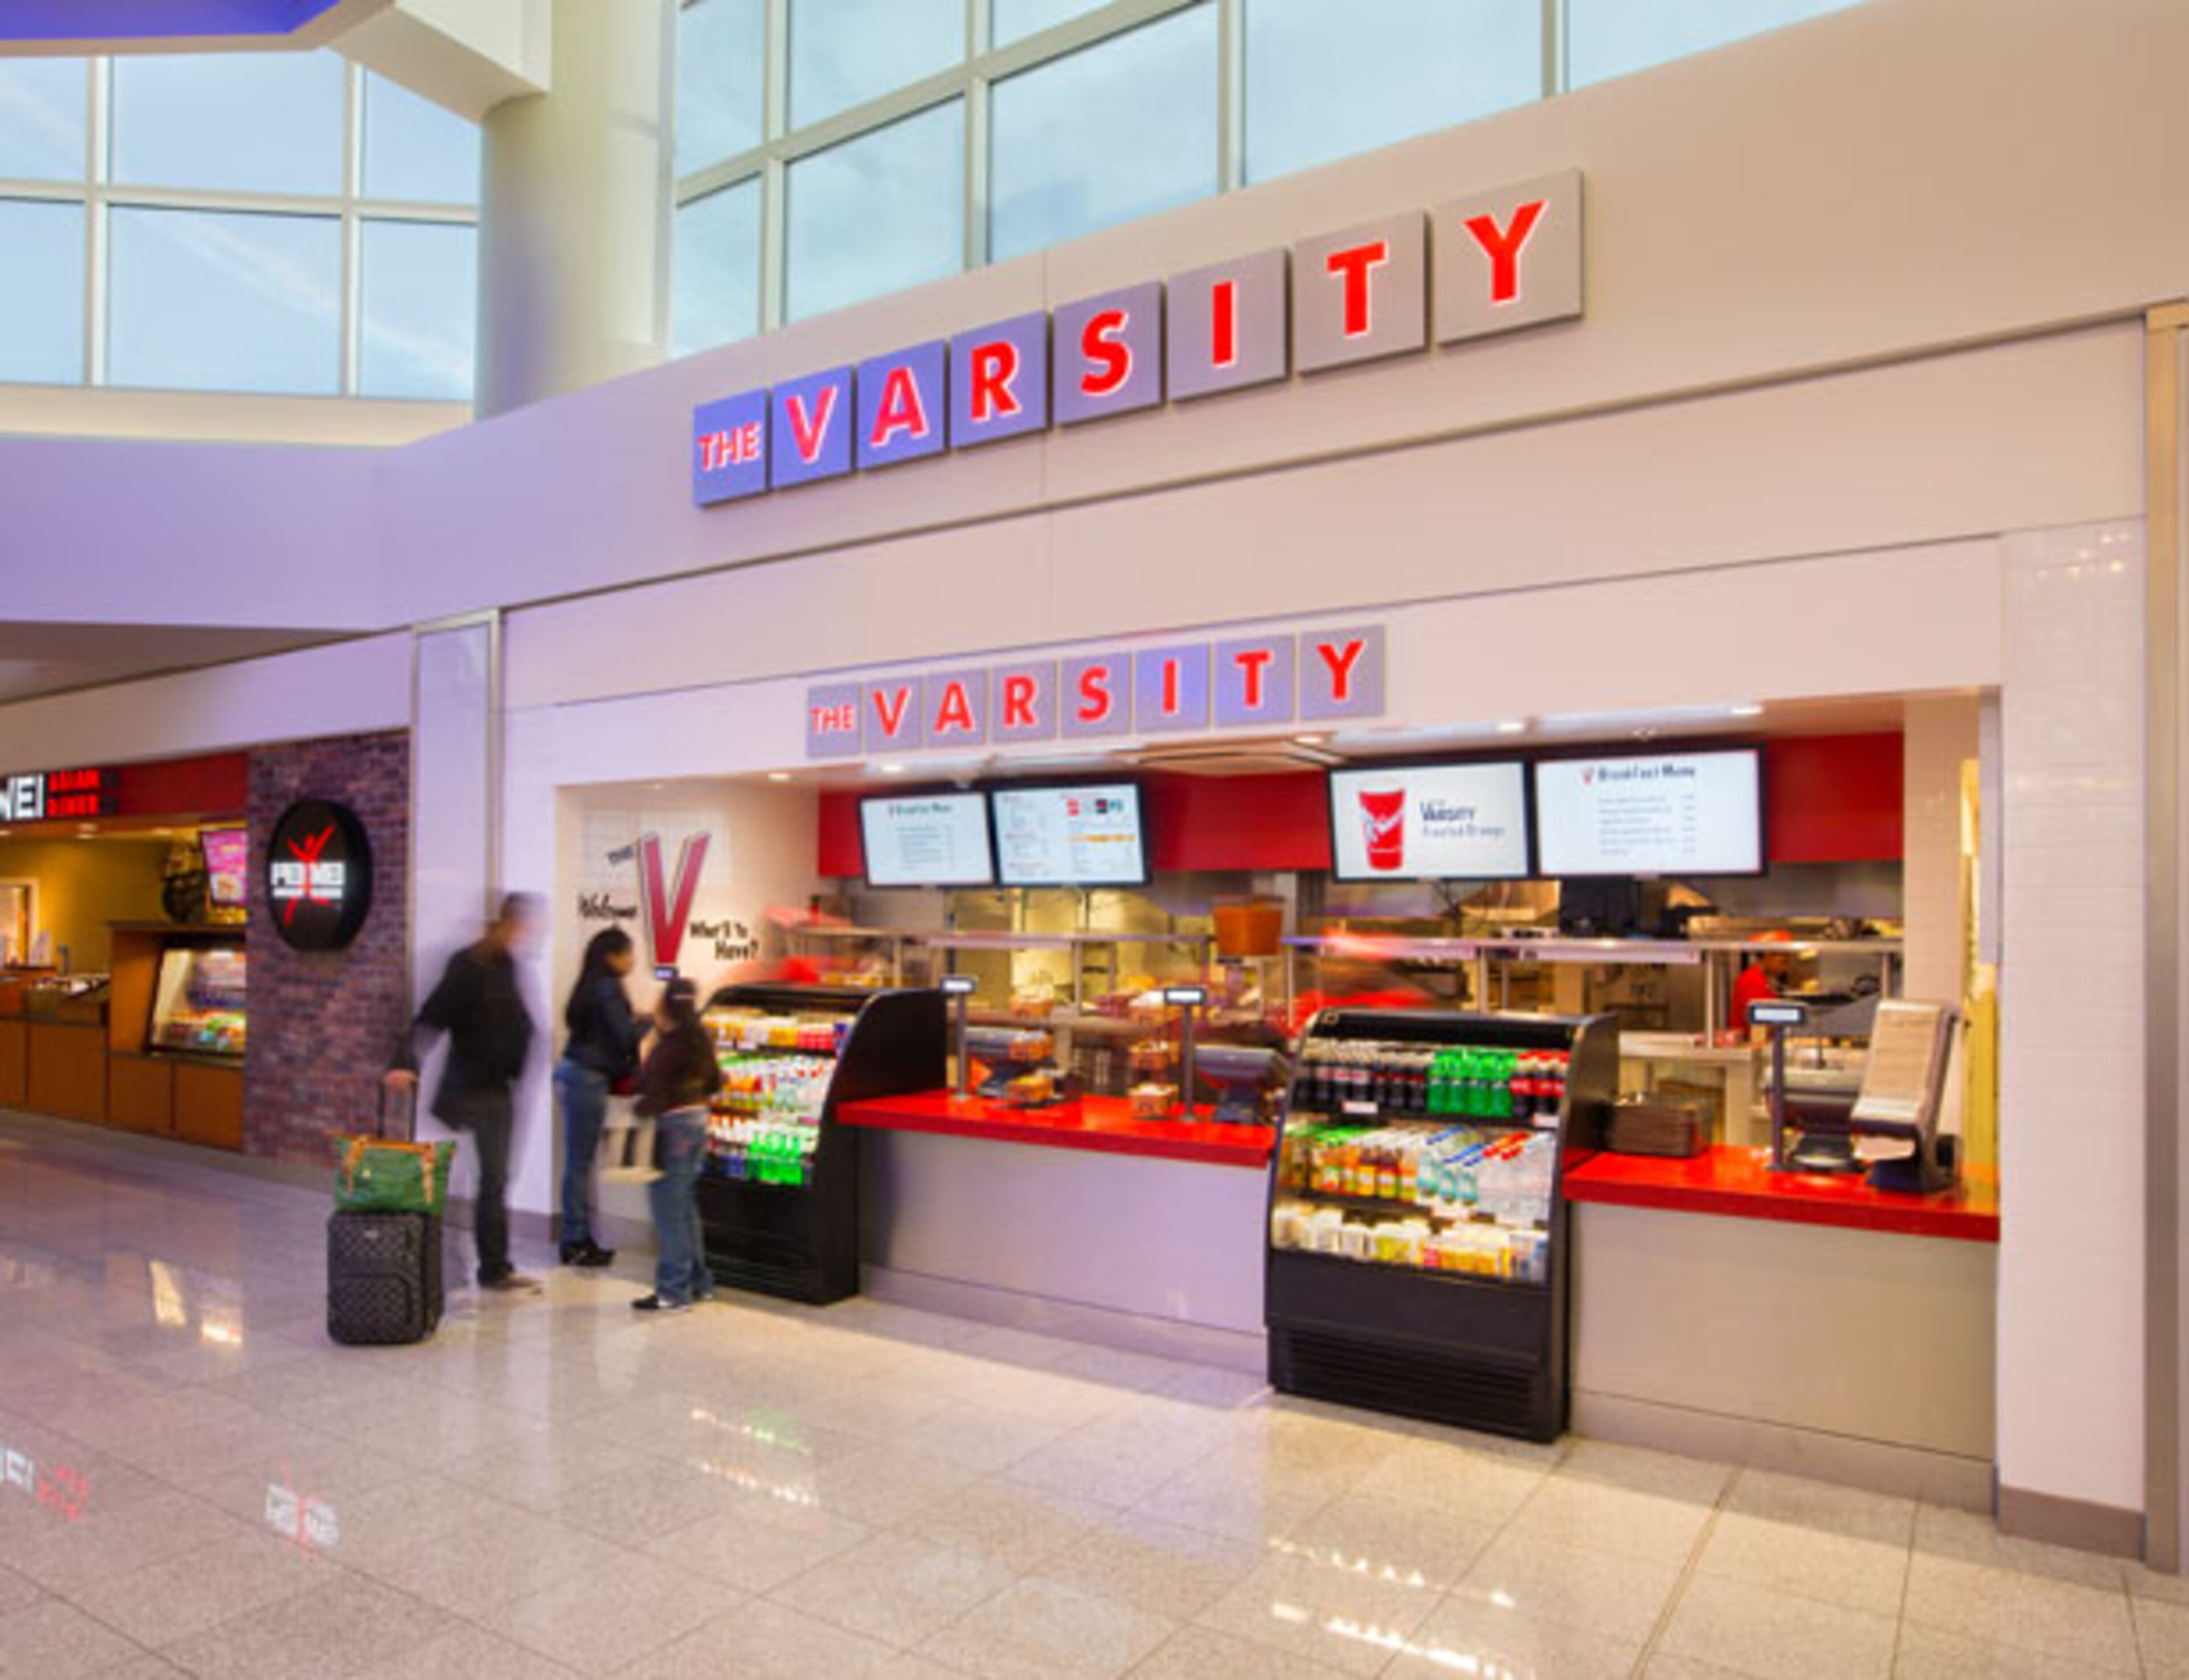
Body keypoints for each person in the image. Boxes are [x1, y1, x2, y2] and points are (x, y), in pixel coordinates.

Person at [386, 893, 543, 1293]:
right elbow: (433, 1015)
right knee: (486, 1177)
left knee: (494, 1177)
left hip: (497, 1089)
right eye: (524, 925)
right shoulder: (469, 966)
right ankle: (485, 1264)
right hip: (471, 1089)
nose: (529, 934)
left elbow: (519, 1024)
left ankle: (493, 1266)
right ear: (506, 922)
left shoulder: (508, 965)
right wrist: (405, 1061)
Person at [555, 927, 645, 1267]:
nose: (632, 960)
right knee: (580, 1163)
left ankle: (577, 1237)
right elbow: (625, 1038)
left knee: (579, 1162)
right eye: (628, 953)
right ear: (612, 956)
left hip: (575, 1071)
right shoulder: (608, 988)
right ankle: (575, 1240)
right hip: (587, 1078)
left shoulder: (590, 984)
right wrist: (652, 1023)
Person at [630, 977, 722, 1314]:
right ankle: (700, 1283)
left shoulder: (667, 1048)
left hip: (672, 1130)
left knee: (669, 1213)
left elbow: (651, 1093)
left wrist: (635, 1112)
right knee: (685, 1209)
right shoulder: (699, 1040)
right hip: (698, 1121)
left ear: (666, 1008)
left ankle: (673, 1290)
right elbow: (715, 1081)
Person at [1732, 929, 1797, 1034]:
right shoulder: (1753, 980)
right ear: (1768, 955)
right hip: (1751, 1045)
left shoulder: (1764, 980)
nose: (1785, 967)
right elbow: (1758, 1023)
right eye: (1783, 962)